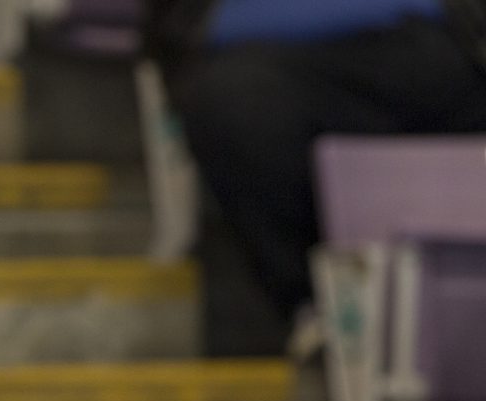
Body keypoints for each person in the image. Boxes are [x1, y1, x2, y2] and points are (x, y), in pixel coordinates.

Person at [144, 0, 486, 354]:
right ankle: (312, 308)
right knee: (232, 101)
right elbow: (193, 28)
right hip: (271, 64)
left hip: (444, 44)